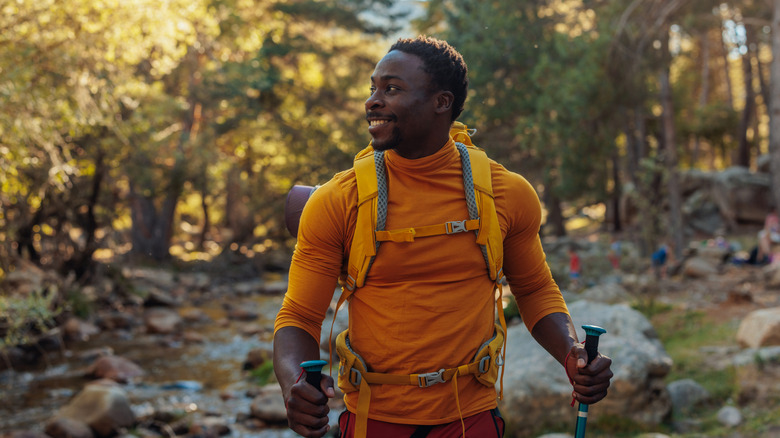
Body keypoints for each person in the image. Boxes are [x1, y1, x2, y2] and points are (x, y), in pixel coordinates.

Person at [273, 36, 613, 438]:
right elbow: (299, 316)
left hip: (473, 421)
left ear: (442, 102)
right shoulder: (338, 201)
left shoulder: (506, 194)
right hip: (372, 420)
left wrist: (571, 354)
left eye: (392, 89)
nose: (373, 101)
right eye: (373, 88)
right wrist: (295, 384)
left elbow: (536, 290)